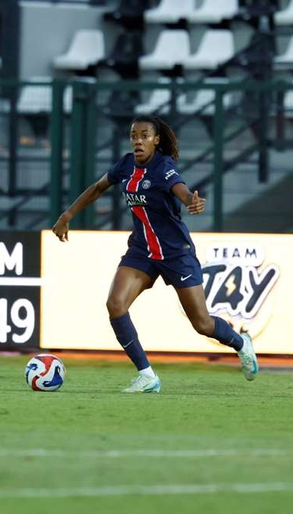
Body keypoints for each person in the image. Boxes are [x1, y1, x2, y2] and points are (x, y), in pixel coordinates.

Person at [52, 115, 258, 393]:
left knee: (202, 323)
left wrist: (191, 201)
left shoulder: (164, 166)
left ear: (156, 140)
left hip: (175, 252)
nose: (138, 141)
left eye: (145, 135)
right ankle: (147, 375)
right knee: (115, 305)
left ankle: (241, 343)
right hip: (141, 250)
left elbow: (181, 190)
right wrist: (67, 215)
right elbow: (99, 187)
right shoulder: (125, 165)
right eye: (134, 135)